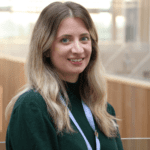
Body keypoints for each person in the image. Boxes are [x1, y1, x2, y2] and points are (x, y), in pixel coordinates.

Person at [5, 1, 124, 150]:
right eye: (65, 40)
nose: (78, 49)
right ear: (46, 48)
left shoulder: (103, 110)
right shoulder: (33, 107)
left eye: (84, 38)